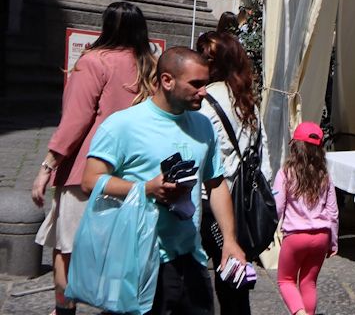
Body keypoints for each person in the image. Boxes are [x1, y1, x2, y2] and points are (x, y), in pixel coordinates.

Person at [82, 45, 247, 315]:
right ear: (167, 81)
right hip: (139, 262)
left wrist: (229, 239)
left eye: (205, 84)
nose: (204, 92)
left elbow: (215, 184)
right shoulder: (123, 125)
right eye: (196, 84)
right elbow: (90, 181)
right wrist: (146, 188)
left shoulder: (203, 126)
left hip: (191, 259)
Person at [31, 0, 158, 315]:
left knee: (67, 249)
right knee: (118, 252)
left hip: (85, 172)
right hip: (131, 175)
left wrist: (48, 165)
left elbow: (75, 120)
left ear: (106, 26)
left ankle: (64, 309)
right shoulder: (151, 66)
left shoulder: (93, 62)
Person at [199, 31, 271, 312]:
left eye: (205, 57)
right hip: (244, 199)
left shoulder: (204, 101)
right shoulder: (245, 99)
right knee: (235, 273)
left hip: (214, 200)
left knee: (221, 272)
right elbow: (261, 150)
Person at [273, 122, 339, 315]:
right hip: (321, 236)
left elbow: (278, 206)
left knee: (285, 280)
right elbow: (332, 212)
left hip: (295, 237)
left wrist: (269, 232)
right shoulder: (324, 175)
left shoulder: (286, 173)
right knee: (308, 283)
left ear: (295, 145)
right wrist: (333, 241)